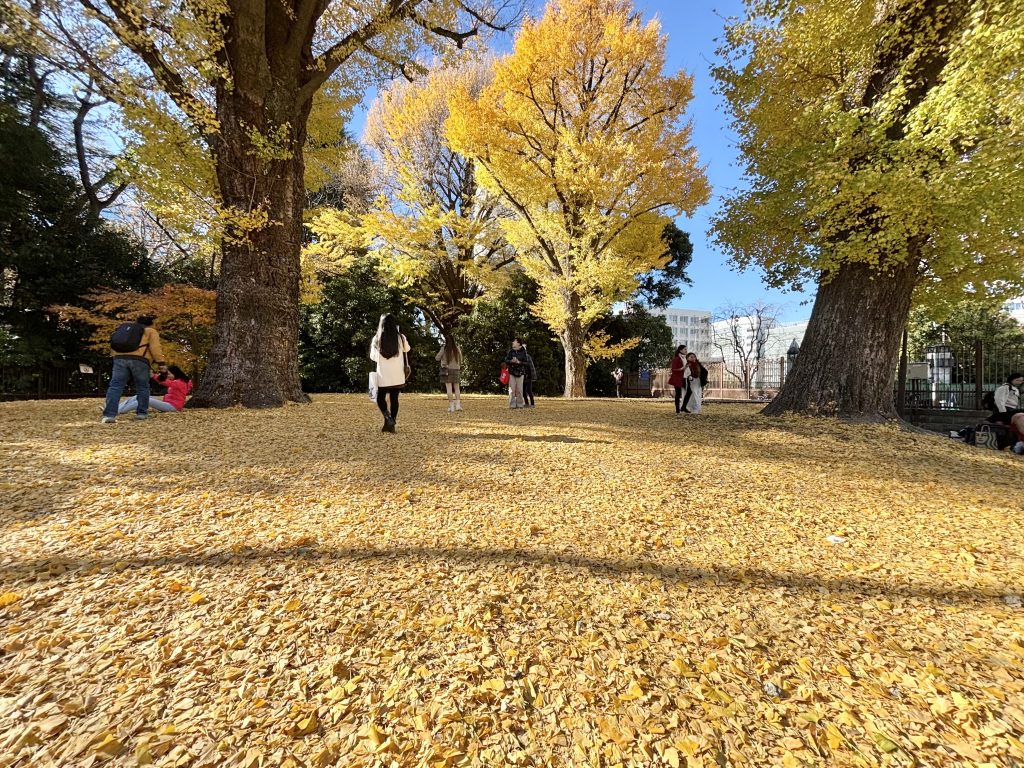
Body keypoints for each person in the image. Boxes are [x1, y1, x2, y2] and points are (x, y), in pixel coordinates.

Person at [101, 315, 168, 423]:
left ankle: (109, 415)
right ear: (151, 323)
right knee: (142, 387)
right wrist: (161, 362)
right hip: (140, 360)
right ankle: (141, 413)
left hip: (119, 358)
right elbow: (155, 348)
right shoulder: (150, 331)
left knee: (115, 386)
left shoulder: (126, 330)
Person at [370, 314, 410, 433]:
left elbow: (373, 357)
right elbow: (407, 349)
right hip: (397, 374)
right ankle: (392, 422)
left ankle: (388, 418)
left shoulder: (376, 338)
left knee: (380, 398)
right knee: (394, 398)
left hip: (383, 374)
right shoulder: (400, 337)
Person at [118, 365, 192, 414]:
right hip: (169, 404)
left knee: (145, 399)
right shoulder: (177, 381)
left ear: (176, 374)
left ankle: (120, 410)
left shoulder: (180, 383)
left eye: (169, 374)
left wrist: (153, 376)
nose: (168, 376)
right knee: (139, 396)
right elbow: (166, 380)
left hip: (173, 407)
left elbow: (166, 382)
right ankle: (117, 408)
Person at [436, 337, 463, 413]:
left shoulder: (444, 348)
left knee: (449, 388)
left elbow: (437, 358)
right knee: (457, 388)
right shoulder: (457, 348)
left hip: (446, 370)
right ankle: (458, 405)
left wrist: (443, 360)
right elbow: (461, 359)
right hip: (456, 369)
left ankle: (451, 407)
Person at [504, 338, 528, 409]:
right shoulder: (511, 351)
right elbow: (506, 360)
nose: (512, 342)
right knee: (512, 390)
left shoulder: (523, 351)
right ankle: (512, 405)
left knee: (519, 390)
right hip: (511, 372)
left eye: (514, 341)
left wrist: (519, 362)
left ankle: (520, 405)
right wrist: (511, 361)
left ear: (518, 343)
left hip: (520, 373)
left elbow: (526, 363)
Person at [667, 345, 687, 415]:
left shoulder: (685, 358)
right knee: (678, 394)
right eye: (685, 349)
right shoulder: (676, 359)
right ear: (680, 350)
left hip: (685, 377)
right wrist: (682, 368)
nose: (686, 351)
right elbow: (673, 369)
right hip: (678, 378)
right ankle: (677, 410)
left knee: (689, 392)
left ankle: (684, 407)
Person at [522, 343, 538, 408]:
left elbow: (530, 367)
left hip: (528, 376)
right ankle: (526, 403)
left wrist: (532, 377)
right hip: (523, 377)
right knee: (523, 391)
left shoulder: (527, 356)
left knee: (529, 390)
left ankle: (532, 404)